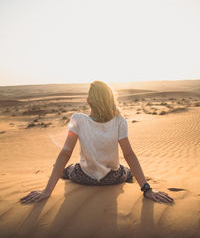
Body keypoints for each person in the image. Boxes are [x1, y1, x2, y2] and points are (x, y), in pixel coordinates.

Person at [20, 81, 174, 204]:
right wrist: (147, 189)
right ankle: (132, 177)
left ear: (88, 101)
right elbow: (129, 154)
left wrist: (46, 191)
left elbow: (65, 153)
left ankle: (60, 172)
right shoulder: (120, 121)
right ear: (111, 100)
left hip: (84, 177)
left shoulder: (77, 119)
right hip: (113, 178)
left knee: (68, 168)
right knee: (127, 170)